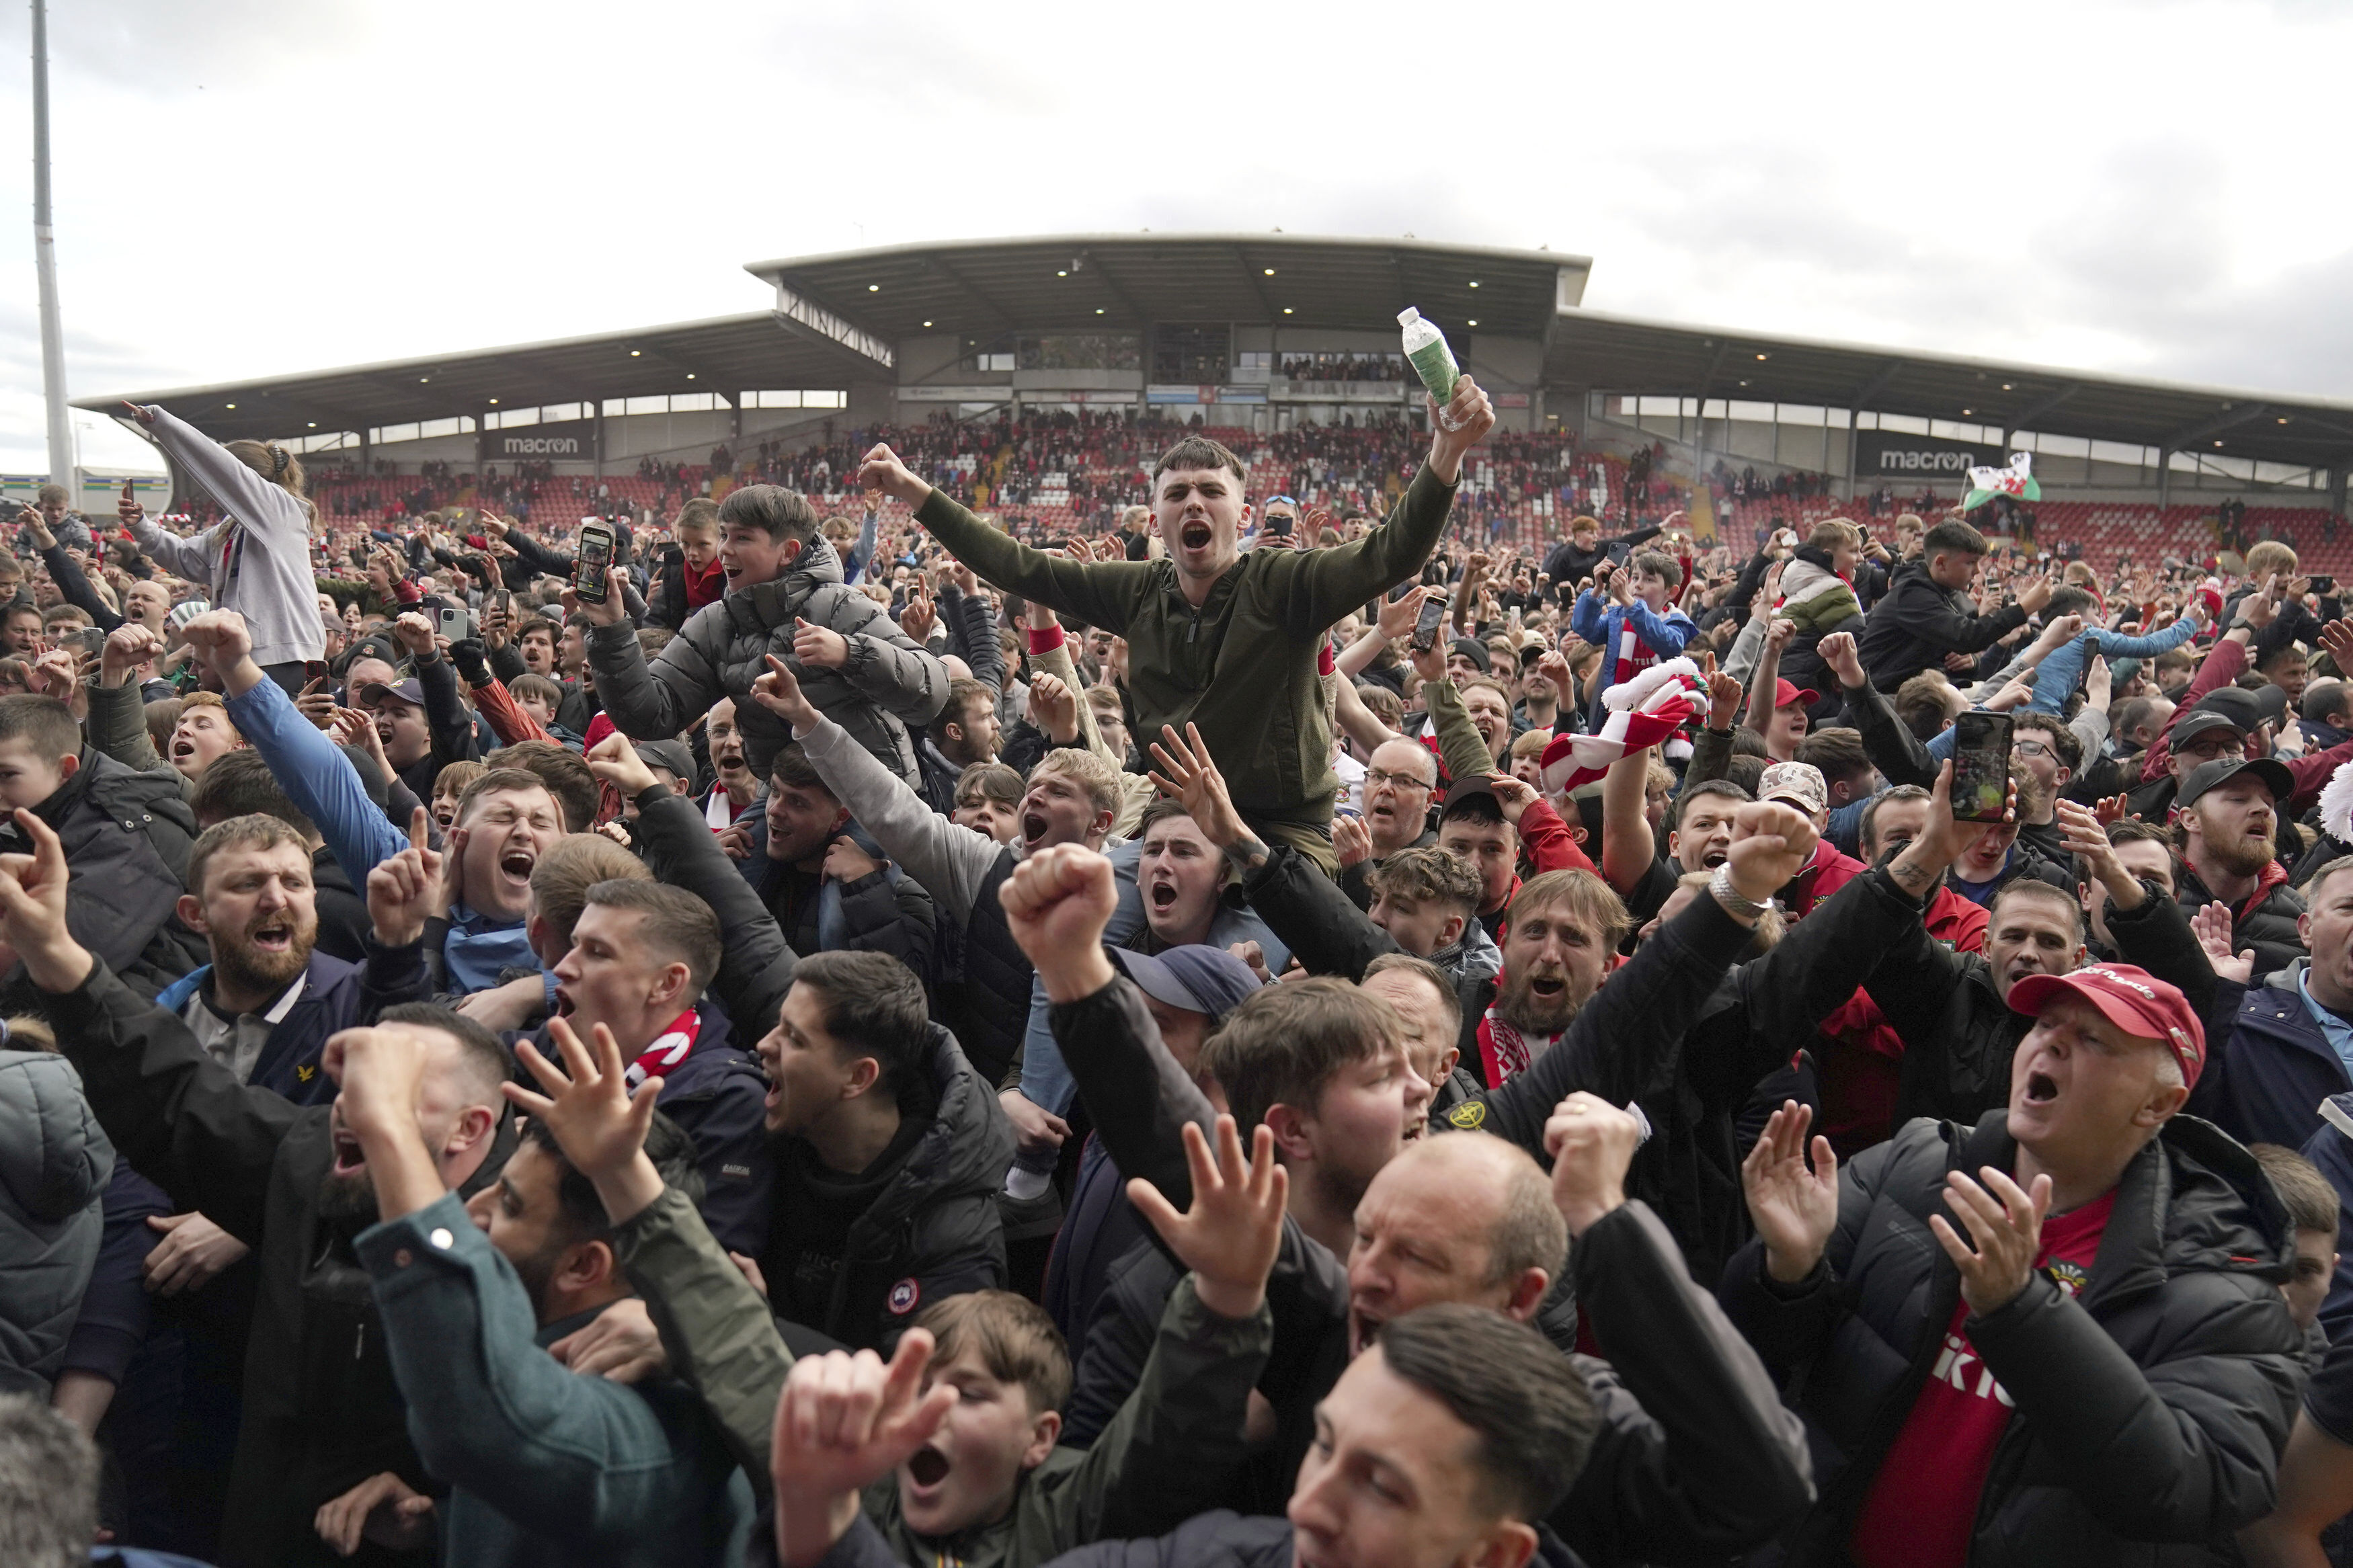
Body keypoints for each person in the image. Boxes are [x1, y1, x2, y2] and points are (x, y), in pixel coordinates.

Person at [0, 806, 512, 1567]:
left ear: (471, 1130)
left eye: (389, 1090)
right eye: (349, 1080)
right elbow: (178, 1098)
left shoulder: (528, 1235)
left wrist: (440, 1505)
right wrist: (56, 952)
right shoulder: (313, 1161)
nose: (351, 1104)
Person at [1721, 953, 2305, 1567]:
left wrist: (2021, 1312)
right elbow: (1760, 1347)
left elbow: (2189, 1492)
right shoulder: (1917, 1164)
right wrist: (1788, 1266)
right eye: (2045, 1025)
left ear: (2159, 1104)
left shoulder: (2223, 1280)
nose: (2051, 1045)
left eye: (2092, 1039)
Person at [856, 378, 1494, 872]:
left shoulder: (1284, 583)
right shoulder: (1137, 591)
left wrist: (1447, 450)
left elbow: (1392, 554)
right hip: (1172, 824)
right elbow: (1020, 568)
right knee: (1074, 947)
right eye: (1179, 492)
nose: (1195, 501)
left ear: (1240, 517)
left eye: (1212, 492)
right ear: (1156, 516)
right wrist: (915, 491)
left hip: (1283, 831)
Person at [334, 1017, 753, 1567]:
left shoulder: (657, 1413)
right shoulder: (560, 1356)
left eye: (509, 1204)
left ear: (584, 1265)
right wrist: (441, 1525)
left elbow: (486, 1419)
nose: (473, 1211)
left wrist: (391, 1129)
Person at [768, 1303, 1599, 1568]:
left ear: (1492, 1554)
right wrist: (818, 1503)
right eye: (1322, 1444)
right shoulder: (1212, 1553)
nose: (1308, 1502)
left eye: (1381, 1483)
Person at [582, 483, 950, 786]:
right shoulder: (717, 624)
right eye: (724, 535)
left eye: (742, 538)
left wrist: (848, 653)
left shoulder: (841, 606)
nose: (724, 549)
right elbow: (650, 716)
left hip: (874, 796)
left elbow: (933, 689)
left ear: (788, 552)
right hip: (783, 794)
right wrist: (611, 628)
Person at [748, 949, 1014, 1351]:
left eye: (794, 1037)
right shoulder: (768, 1140)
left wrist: (745, 1328)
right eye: (776, 1026)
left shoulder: (954, 1235)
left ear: (858, 1077)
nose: (764, 1045)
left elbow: (915, 1394)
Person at [0, 694, 204, 1010]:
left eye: (6, 775)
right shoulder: (45, 808)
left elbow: (62, 960)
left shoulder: (126, 827)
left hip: (148, 1016)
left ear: (66, 768)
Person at [118, 405, 325, 695]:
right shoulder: (231, 529)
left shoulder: (281, 511)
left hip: (284, 656)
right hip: (240, 655)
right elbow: (186, 558)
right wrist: (141, 525)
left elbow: (216, 466)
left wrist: (162, 424)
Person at [1853, 518, 2051, 692]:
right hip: (1881, 698)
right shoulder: (1912, 593)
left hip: (1918, 693)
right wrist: (2025, 607)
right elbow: (1968, 636)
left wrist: (1971, 662)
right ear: (1941, 564)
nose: (1976, 571)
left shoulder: (1947, 589)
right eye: (1970, 563)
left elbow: (1966, 643)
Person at [2173, 756, 2305, 974]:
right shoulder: (2157, 901)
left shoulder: (2299, 917)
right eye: (2239, 799)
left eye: (2269, 802)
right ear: (2191, 819)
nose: (2263, 809)